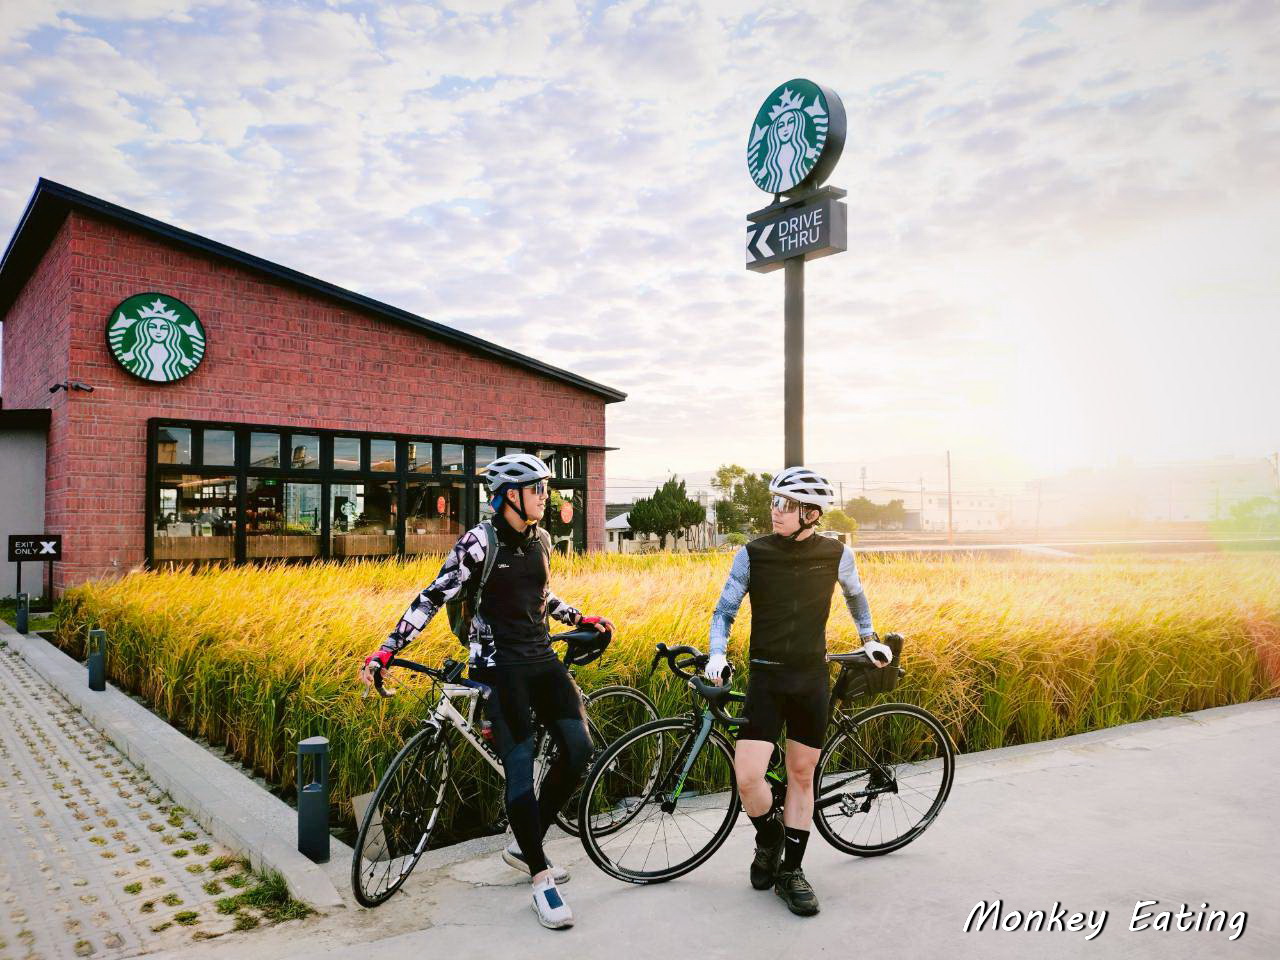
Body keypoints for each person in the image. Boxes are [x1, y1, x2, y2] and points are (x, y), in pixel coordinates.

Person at [359, 453, 612, 930]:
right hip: (499, 668)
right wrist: (388, 649)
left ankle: (525, 845)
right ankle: (540, 878)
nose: (546, 496)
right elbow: (432, 595)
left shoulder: (542, 540)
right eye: (538, 489)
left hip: (541, 659)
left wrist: (579, 617)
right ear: (511, 495)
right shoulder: (479, 543)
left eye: (545, 488)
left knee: (579, 749)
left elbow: (540, 598)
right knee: (520, 770)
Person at [706, 465, 890, 917]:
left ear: (811, 513)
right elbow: (724, 610)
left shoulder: (836, 554)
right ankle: (769, 839)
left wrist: (869, 638)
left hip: (810, 678)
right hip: (766, 678)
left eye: (785, 504)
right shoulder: (753, 553)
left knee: (801, 776)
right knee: (748, 776)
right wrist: (717, 654)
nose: (775, 511)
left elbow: (855, 596)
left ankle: (791, 871)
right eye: (773, 501)